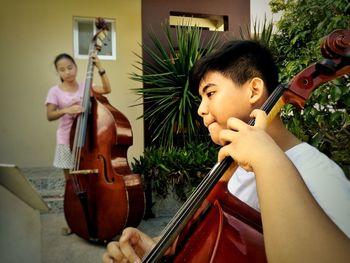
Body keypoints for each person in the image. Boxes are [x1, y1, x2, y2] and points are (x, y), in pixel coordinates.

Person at [102, 40, 350, 263]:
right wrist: (159, 246)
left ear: (253, 90)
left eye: (210, 93)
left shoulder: (319, 174)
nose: (200, 109)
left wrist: (268, 159)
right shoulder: (233, 166)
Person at [45, 52, 111, 233]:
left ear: (75, 67)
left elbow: (107, 89)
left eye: (70, 67)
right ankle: (73, 221)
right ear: (58, 72)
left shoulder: (85, 87)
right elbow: (50, 115)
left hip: (86, 143)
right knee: (71, 183)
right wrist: (67, 109)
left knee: (89, 182)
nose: (67, 72)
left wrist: (99, 67)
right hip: (66, 141)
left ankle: (92, 216)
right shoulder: (55, 91)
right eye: (62, 69)